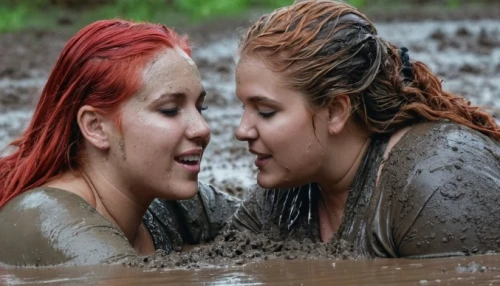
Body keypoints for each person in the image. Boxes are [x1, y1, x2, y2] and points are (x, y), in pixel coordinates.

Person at [230, 0, 500, 259]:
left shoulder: (439, 184)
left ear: (336, 111)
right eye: (244, 108)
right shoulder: (282, 193)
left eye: (266, 112)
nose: (242, 130)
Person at [0, 19, 239, 267]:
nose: (202, 128)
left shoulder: (167, 206)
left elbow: (266, 224)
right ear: (96, 127)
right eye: (169, 110)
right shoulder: (48, 216)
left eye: (201, 108)